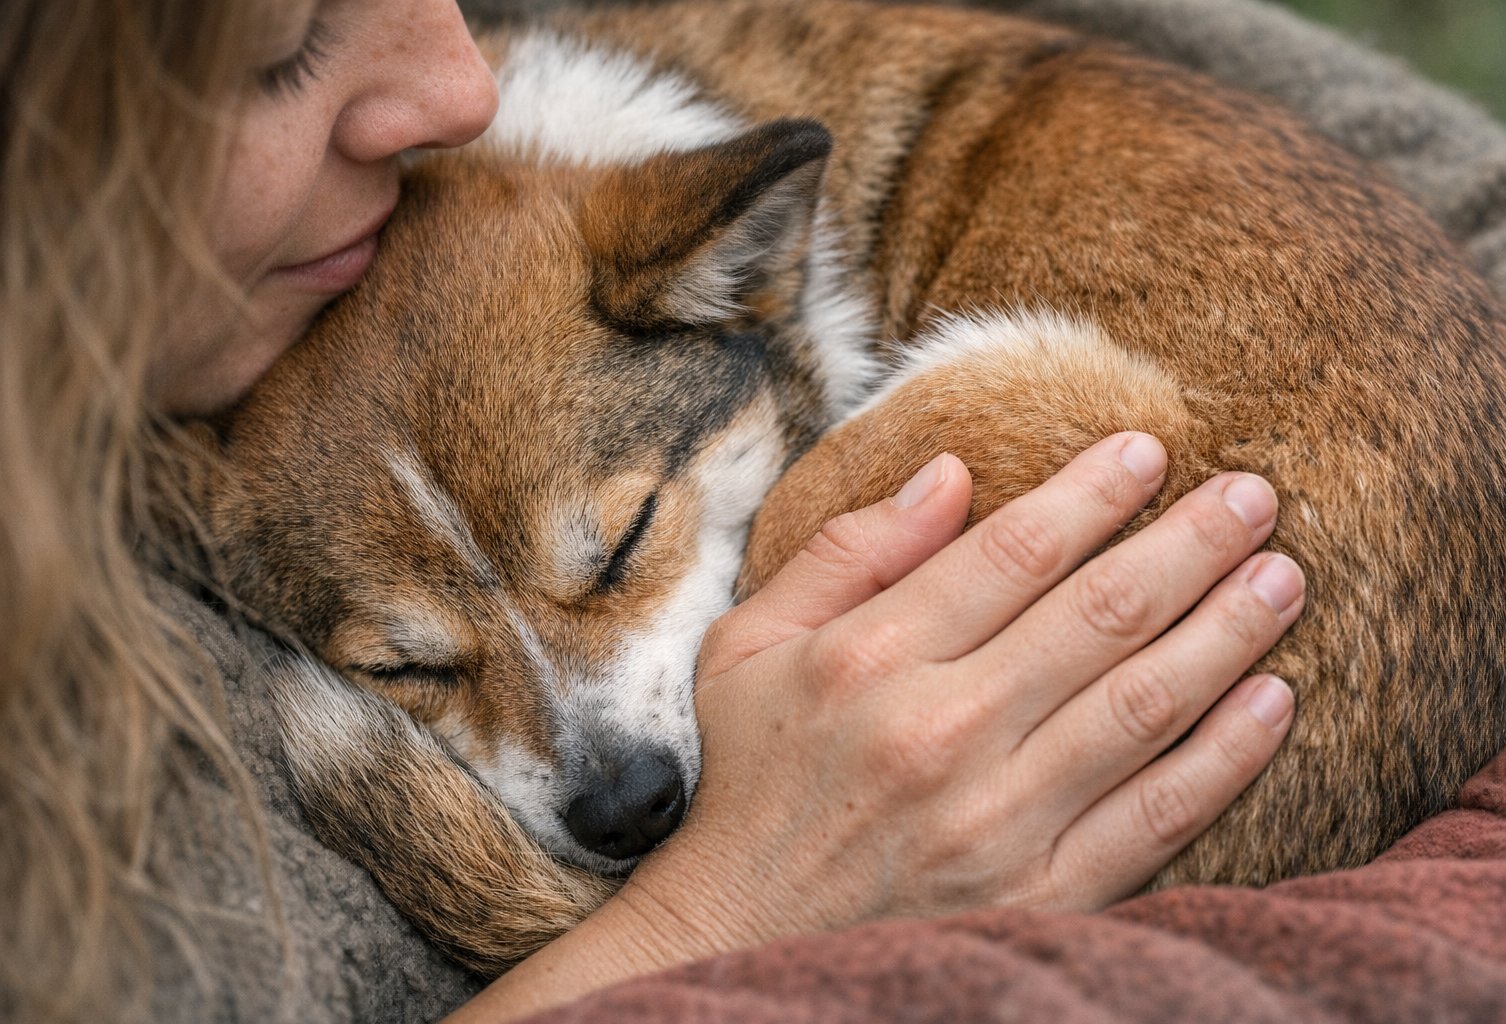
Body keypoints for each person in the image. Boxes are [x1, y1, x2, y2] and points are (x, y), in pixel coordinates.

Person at [0, 0, 1305, 1020]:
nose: (596, 764)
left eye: (618, 551)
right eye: (279, 52)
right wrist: (720, 913)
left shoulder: (555, 205)